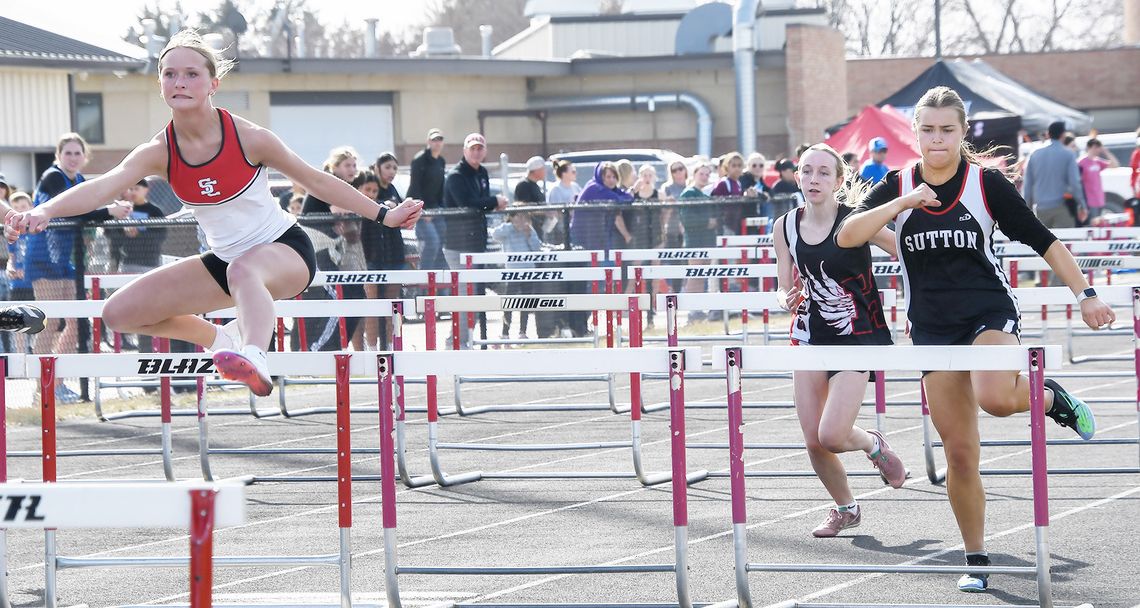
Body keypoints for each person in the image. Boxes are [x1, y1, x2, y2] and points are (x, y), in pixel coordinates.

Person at [7, 30, 423, 397]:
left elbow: (317, 180)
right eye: (170, 74)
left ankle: (257, 356)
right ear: (160, 85)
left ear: (213, 84)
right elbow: (103, 186)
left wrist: (383, 214)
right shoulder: (160, 151)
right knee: (120, 313)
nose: (180, 82)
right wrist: (44, 211)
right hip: (223, 262)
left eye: (191, 74)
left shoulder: (249, 138)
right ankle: (221, 338)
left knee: (245, 269)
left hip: (285, 251)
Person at [837, 85, 1114, 594]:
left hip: (988, 314)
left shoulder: (985, 185)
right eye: (927, 130)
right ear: (914, 133)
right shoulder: (898, 182)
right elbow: (848, 235)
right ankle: (977, 558)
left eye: (947, 130)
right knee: (960, 454)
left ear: (963, 133)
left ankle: (1051, 396)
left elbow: (1044, 240)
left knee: (995, 398)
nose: (936, 140)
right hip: (932, 327)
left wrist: (1087, 293)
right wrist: (904, 200)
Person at [773, 143, 905, 538]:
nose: (813, 179)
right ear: (797, 176)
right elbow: (784, 286)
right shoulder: (784, 226)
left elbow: (904, 252)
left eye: (823, 173)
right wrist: (785, 299)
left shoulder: (856, 221)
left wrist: (924, 301)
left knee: (832, 435)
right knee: (814, 441)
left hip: (857, 336)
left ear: (839, 181)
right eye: (807, 171)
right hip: (810, 336)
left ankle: (872, 444)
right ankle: (846, 508)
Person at [26, 133, 131, 403]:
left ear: (85, 157)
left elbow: (88, 209)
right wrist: (109, 211)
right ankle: (43, 389)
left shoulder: (80, 181)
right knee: (47, 324)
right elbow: (73, 210)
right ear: (59, 155)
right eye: (68, 153)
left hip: (67, 260)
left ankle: (57, 382)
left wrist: (112, 209)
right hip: (42, 258)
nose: (73, 158)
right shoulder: (52, 177)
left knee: (75, 322)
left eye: (77, 153)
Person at [442, 133, 508, 347]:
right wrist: (494, 201)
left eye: (480, 148)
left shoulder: (482, 173)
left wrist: (489, 202)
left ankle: (468, 338)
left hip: (476, 242)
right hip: (457, 244)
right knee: (465, 292)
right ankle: (456, 341)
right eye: (473, 148)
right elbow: (468, 203)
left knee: (475, 292)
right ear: (464, 150)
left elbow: (479, 204)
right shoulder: (456, 175)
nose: (476, 151)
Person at [107, 178, 168, 354]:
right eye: (130, 188)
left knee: (149, 307)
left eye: (137, 188)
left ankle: (148, 348)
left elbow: (159, 237)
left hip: (150, 264)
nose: (133, 192)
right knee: (130, 307)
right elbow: (112, 237)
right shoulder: (123, 211)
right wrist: (125, 234)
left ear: (145, 190)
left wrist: (138, 235)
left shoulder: (154, 211)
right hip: (128, 264)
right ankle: (126, 341)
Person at [366, 154, 410, 350]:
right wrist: (385, 207)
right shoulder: (369, 185)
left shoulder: (393, 189)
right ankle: (372, 348)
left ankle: (393, 345)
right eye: (388, 167)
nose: (391, 172)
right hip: (372, 255)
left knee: (393, 304)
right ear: (377, 167)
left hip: (393, 253)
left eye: (395, 168)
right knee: (372, 304)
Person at [1022, 120, 1087, 229]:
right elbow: (1074, 182)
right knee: (1064, 242)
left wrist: (1027, 208)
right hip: (1062, 206)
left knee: (1042, 243)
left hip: (1041, 207)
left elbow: (1028, 184)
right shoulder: (1068, 154)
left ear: (1048, 134)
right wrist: (1082, 204)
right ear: (1063, 135)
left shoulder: (1035, 154)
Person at [492, 208, 543, 341]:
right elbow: (495, 235)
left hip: (528, 271)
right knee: (509, 303)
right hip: (512, 271)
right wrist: (511, 226)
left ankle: (523, 331)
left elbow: (537, 249)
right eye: (518, 217)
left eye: (524, 217)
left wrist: (529, 235)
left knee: (526, 302)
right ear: (512, 217)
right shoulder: (507, 230)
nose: (521, 220)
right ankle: (505, 332)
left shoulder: (530, 230)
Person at [408, 128, 447, 270]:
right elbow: (415, 187)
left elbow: (441, 188)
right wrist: (422, 212)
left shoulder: (441, 161)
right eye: (434, 139)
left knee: (443, 242)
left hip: (437, 210)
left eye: (440, 139)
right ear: (428, 141)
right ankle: (424, 278)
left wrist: (441, 208)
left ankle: (441, 280)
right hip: (421, 212)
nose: (437, 143)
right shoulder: (419, 160)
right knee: (432, 241)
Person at [570, 161, 629, 251]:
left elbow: (623, 195)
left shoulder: (607, 189)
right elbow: (622, 200)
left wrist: (631, 192)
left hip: (598, 239)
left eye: (614, 177)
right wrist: (631, 193)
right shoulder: (595, 188)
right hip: (583, 240)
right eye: (608, 177)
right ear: (601, 177)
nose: (612, 180)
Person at [1077, 138, 1120, 222]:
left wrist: (1106, 152)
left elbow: (1115, 165)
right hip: (1089, 200)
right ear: (1092, 147)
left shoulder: (1097, 161)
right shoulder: (1081, 162)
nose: (1100, 150)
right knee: (1091, 224)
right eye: (1098, 148)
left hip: (1099, 199)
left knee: (1098, 224)